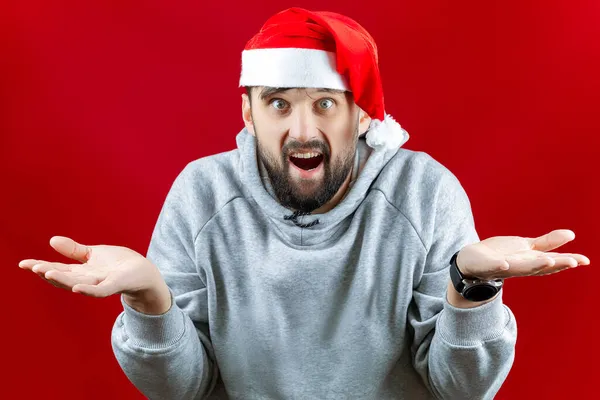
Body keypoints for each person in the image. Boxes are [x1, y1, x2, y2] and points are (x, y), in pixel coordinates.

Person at [18, 7, 590, 400]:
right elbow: (180, 389)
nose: (302, 131)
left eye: (325, 103)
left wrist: (471, 289)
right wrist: (149, 299)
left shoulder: (425, 194)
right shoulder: (201, 195)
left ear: (362, 114)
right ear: (248, 112)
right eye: (278, 104)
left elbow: (459, 389)